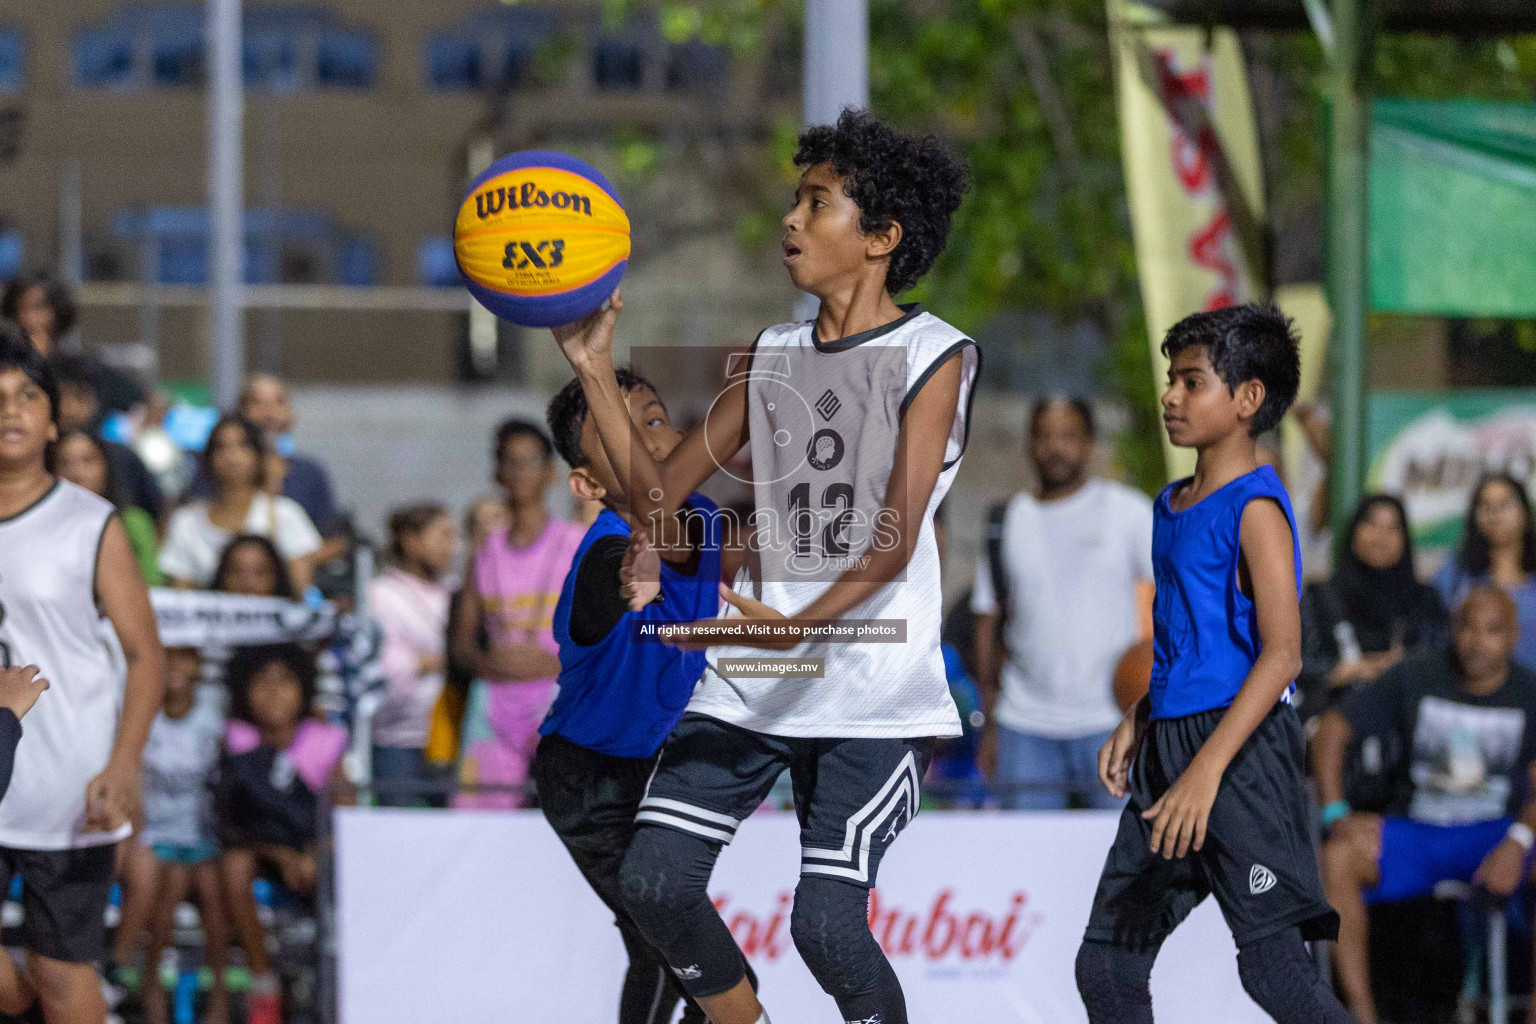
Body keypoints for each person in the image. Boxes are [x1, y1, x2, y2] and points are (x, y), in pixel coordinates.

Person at [554, 110, 978, 1024]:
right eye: (794, 200)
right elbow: (662, 501)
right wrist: (593, 371)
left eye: (815, 203)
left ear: (880, 237)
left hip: (872, 683)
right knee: (656, 883)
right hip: (762, 674)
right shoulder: (773, 355)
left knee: (826, 926)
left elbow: (896, 536)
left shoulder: (933, 354)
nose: (790, 219)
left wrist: (799, 623)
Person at [1074, 304, 1352, 1024]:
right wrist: (1140, 718)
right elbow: (1183, 639)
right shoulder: (1171, 505)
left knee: (1275, 976)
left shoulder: (1256, 507)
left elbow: (1282, 653)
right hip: (1170, 747)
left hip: (1239, 755)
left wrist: (1205, 773)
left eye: (1191, 382)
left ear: (1248, 399)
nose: (1170, 395)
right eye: (1172, 380)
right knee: (1106, 965)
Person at [536, 368, 726, 1024]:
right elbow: (609, 585)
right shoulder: (604, 553)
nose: (642, 441)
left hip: (656, 771)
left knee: (712, 975)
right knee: (669, 951)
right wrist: (628, 574)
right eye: (616, 436)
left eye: (651, 420)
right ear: (588, 484)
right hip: (588, 782)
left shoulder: (703, 517)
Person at [0, 325, 165, 1022]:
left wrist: (124, 764)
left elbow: (146, 654)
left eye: (25, 395)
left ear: (51, 419)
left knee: (63, 977)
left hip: (65, 786)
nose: (9, 410)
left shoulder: (89, 522)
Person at [1314, 586, 1536, 1024]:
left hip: (1496, 834)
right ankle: (1360, 1015)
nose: (1476, 641)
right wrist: (1335, 814)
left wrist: (1519, 840)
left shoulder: (1529, 692)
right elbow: (1330, 732)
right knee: (1338, 857)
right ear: (1454, 627)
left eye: (1492, 630)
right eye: (1467, 626)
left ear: (1513, 635)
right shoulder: (1416, 675)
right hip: (1418, 830)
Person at [971, 396, 1153, 809]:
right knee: (1023, 865)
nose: (1056, 448)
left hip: (1113, 721)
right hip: (1024, 725)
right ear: (1030, 444)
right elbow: (987, 620)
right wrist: (991, 722)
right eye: (1045, 436)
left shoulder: (1128, 512)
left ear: (1090, 444)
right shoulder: (1006, 521)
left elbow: (1178, 595)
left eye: (1069, 436)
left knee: (1115, 862)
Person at [450, 421, 583, 810]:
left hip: (562, 698)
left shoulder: (577, 542)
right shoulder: (485, 548)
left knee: (571, 815)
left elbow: (611, 631)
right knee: (480, 819)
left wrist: (554, 663)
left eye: (529, 462)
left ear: (550, 473)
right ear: (497, 472)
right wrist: (488, 665)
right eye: (511, 462)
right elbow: (461, 640)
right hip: (495, 700)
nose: (520, 472)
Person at [215, 643, 349, 1024]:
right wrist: (279, 855)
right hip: (261, 851)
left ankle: (329, 980)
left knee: (331, 871)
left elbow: (344, 814)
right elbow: (233, 818)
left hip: (313, 851)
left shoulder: (326, 740)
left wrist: (315, 853)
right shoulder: (237, 738)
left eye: (286, 681)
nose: (274, 693)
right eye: (261, 682)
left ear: (304, 688)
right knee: (233, 866)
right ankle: (264, 983)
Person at [111, 647, 230, 1024]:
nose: (176, 669)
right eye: (169, 659)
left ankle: (218, 999)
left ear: (199, 668)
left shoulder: (215, 713)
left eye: (185, 659)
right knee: (153, 883)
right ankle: (129, 973)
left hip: (203, 837)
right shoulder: (140, 713)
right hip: (155, 832)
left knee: (209, 898)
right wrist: (135, 835)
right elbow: (133, 785)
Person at [1299, 494, 1449, 725]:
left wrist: (1401, 667)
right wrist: (1343, 671)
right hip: (1329, 722)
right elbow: (1296, 662)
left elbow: (1443, 660)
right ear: (1353, 533)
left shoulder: (1424, 600)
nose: (1380, 536)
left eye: (1392, 528)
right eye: (1371, 524)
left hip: (1404, 725)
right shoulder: (1319, 596)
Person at [160, 415, 322, 591]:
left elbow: (300, 593)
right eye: (221, 447)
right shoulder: (186, 522)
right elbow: (180, 598)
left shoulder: (286, 515)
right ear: (209, 458)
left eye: (242, 445)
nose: (232, 456)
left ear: (259, 456)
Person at [368, 504, 456, 805]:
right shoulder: (380, 594)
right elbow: (386, 666)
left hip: (452, 732)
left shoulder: (455, 592)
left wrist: (425, 661)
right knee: (399, 835)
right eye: (443, 536)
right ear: (410, 540)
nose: (452, 547)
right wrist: (444, 661)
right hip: (398, 738)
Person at [3, 270, 142, 413]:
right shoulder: (5, 367)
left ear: (58, 312)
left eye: (38, 308)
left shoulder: (83, 370)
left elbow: (139, 398)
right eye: (19, 309)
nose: (28, 319)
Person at [1436, 473, 1536, 671]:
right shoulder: (1454, 575)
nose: (1495, 514)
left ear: (1524, 511)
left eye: (1505, 504)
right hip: (1469, 691)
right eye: (1485, 505)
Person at [51, 355, 165, 521]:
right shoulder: (31, 458)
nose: (70, 409)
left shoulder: (126, 461)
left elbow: (155, 515)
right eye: (61, 398)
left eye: (80, 397)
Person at [56, 427, 163, 585]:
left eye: (87, 460)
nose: (76, 473)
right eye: (64, 463)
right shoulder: (41, 523)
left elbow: (153, 586)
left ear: (106, 466)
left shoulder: (133, 522)